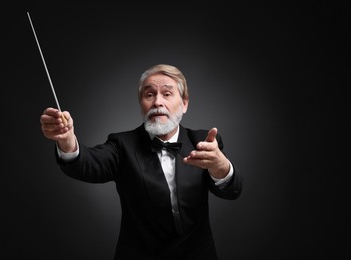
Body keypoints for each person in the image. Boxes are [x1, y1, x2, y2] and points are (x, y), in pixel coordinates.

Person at [40, 64, 243, 260]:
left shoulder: (202, 141)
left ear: (184, 103)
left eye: (167, 93)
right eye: (149, 95)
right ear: (141, 104)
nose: (157, 102)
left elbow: (231, 191)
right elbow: (87, 163)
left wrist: (220, 166)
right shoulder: (122, 145)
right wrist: (67, 142)